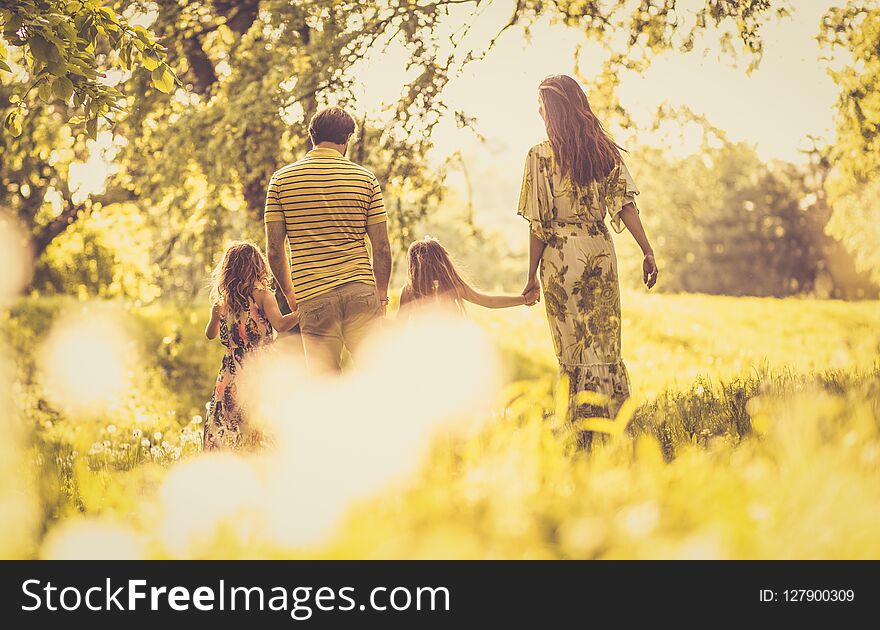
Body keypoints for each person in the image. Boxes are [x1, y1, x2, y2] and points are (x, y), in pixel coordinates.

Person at [518, 74, 658, 450]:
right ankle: (613, 419)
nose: (539, 111)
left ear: (553, 109)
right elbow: (625, 205)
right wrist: (647, 250)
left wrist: (530, 274)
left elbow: (539, 223)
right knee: (605, 342)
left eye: (542, 104)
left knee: (573, 346)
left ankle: (580, 426)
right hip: (599, 250)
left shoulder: (540, 156)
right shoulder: (604, 152)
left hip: (561, 257)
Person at [265, 106, 392, 371]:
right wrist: (381, 295)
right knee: (376, 376)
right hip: (361, 292)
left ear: (312, 135)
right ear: (347, 138)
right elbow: (380, 247)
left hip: (313, 295)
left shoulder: (281, 181)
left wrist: (290, 293)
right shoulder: (365, 179)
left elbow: (275, 250)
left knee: (324, 388)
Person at [204, 241, 299, 450]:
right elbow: (281, 325)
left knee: (231, 420)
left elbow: (210, 335)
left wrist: (216, 316)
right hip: (261, 367)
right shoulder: (264, 296)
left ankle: (233, 462)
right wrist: (303, 312)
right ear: (258, 267)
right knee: (262, 418)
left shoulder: (223, 304)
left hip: (232, 371)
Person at [399, 237, 530, 314]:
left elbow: (399, 324)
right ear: (442, 262)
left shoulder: (409, 291)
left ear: (414, 267)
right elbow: (489, 301)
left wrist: (381, 310)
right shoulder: (451, 287)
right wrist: (524, 299)